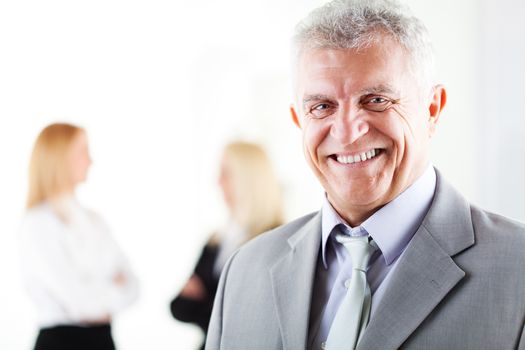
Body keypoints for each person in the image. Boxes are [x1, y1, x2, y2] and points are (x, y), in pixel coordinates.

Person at [205, 1, 525, 349]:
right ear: (300, 120)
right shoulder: (245, 271)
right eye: (322, 107)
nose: (347, 132)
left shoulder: (517, 270)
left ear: (432, 109)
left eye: (376, 99)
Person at [19, 123, 139, 350]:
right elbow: (77, 301)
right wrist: (111, 287)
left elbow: (133, 285)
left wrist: (94, 293)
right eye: (82, 151)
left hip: (102, 341)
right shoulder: (38, 224)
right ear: (60, 157)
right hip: (61, 342)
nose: (90, 161)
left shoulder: (95, 220)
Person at [170, 141, 284, 350]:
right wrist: (216, 308)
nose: (217, 181)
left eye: (226, 173)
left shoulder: (276, 242)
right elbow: (178, 307)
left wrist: (202, 302)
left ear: (249, 180)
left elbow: (253, 323)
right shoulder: (216, 240)